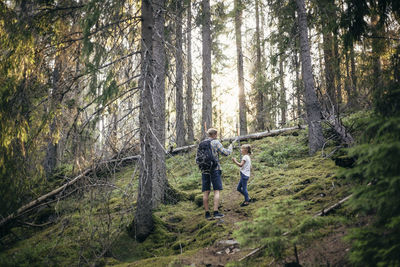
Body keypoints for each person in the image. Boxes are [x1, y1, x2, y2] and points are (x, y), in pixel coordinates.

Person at [202, 128, 233, 220]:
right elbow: (226, 153)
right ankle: (215, 212)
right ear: (215, 134)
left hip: (204, 170)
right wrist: (230, 147)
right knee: (216, 190)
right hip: (215, 169)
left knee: (206, 191)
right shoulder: (216, 142)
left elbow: (197, 159)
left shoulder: (202, 144)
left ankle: (207, 213)